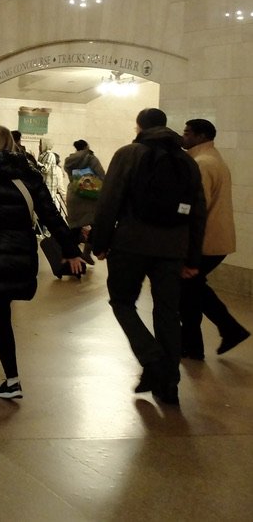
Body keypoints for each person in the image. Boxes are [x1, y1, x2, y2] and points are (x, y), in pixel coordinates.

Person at [89, 108, 206, 406]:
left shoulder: (129, 153)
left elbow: (109, 200)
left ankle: (152, 358)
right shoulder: (187, 161)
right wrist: (193, 258)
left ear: (139, 126)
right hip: (173, 248)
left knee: (122, 302)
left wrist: (99, 243)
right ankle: (170, 385)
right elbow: (198, 213)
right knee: (168, 313)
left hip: (131, 243)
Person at [0, 125, 82, 399]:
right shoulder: (29, 176)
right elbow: (51, 215)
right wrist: (71, 249)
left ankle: (12, 380)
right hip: (21, 253)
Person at [180, 119, 249, 358]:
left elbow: (198, 207)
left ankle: (226, 331)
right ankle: (201, 341)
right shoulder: (212, 159)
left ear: (200, 136)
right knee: (192, 290)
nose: (183, 137)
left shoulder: (202, 163)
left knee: (188, 290)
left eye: (187, 133)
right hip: (215, 239)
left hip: (206, 241)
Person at [63, 139, 105, 265]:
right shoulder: (91, 158)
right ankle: (86, 252)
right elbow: (102, 175)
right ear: (86, 146)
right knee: (96, 224)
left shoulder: (69, 161)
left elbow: (72, 177)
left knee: (75, 227)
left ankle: (70, 255)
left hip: (74, 194)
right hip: (89, 195)